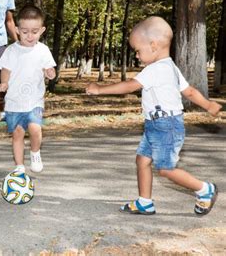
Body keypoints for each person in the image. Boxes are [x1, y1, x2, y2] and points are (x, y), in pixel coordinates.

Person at [86, 16, 221, 215]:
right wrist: (208, 105)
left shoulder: (156, 69)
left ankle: (205, 190)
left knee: (166, 169)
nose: (137, 56)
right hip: (156, 125)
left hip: (166, 126)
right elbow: (190, 92)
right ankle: (145, 202)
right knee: (142, 160)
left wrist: (100, 89)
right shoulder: (171, 68)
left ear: (153, 45)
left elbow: (130, 86)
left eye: (138, 51)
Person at [0, 5, 56, 173]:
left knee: (35, 129)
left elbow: (50, 70)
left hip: (34, 100)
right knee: (17, 134)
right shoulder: (11, 50)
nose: (30, 36)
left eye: (34, 32)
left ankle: (35, 152)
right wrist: (4, 83)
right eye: (25, 32)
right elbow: (5, 70)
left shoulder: (43, 50)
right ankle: (19, 166)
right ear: (17, 29)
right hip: (14, 102)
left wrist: (50, 73)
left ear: (42, 30)